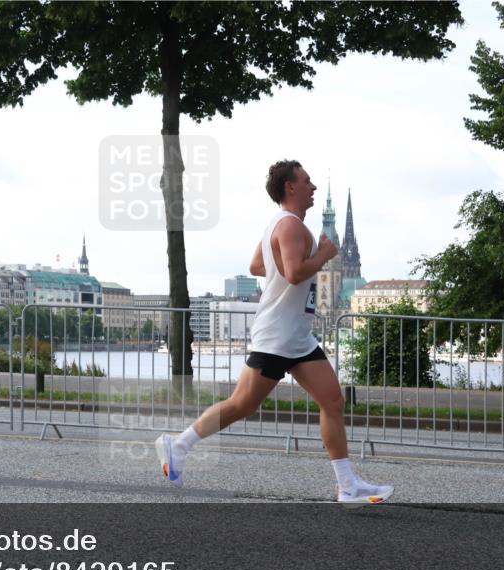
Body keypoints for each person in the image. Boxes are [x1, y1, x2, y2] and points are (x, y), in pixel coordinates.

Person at [155, 159, 393, 506]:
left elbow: (257, 265)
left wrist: (289, 266)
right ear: (290, 187)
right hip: (279, 334)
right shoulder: (290, 225)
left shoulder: (278, 225)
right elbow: (294, 274)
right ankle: (178, 445)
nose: (313, 187)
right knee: (241, 405)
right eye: (307, 181)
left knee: (332, 401)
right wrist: (323, 256)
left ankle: (348, 485)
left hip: (297, 335)